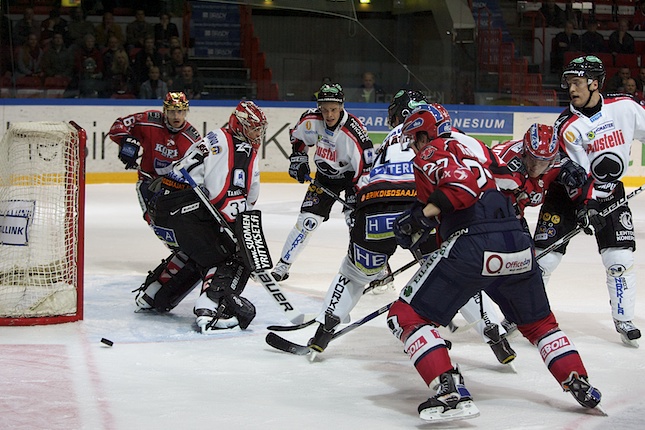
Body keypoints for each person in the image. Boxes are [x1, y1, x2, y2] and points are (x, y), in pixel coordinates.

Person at [386, 104, 603, 422]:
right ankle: (577, 380)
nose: (414, 146)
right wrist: (423, 222)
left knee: (405, 315)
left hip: (474, 245)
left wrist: (419, 218)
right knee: (540, 324)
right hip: (516, 242)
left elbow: (460, 191)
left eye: (415, 138)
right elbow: (501, 186)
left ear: (424, 133)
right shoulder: (476, 145)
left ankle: (448, 392)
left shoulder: (432, 150)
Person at [306, 91, 516, 368]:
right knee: (454, 275)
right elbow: (491, 171)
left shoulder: (389, 140)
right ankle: (495, 335)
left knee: (354, 274)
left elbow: (363, 181)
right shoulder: (445, 134)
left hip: (374, 204)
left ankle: (322, 331)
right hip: (423, 202)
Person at [535, 55, 644, 348]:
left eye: (578, 82)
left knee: (619, 259)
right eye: (569, 83)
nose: (571, 89)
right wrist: (586, 205)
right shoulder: (567, 125)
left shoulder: (625, 107)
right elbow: (576, 173)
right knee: (543, 260)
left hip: (609, 192)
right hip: (567, 197)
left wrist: (595, 202)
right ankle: (519, 314)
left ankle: (624, 319)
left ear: (595, 83)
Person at [142, 101, 268, 333]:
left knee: (201, 249)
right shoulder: (239, 147)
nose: (257, 133)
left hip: (167, 205)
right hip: (185, 209)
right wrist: (241, 238)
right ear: (239, 125)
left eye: (259, 128)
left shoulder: (217, 135)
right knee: (233, 253)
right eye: (253, 127)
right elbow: (223, 195)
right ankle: (211, 309)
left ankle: (155, 294)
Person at [270, 83, 374, 282]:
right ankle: (283, 265)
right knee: (307, 221)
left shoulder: (354, 132)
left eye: (333, 109)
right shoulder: (311, 120)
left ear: (342, 107)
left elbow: (366, 169)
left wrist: (360, 197)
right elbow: (298, 140)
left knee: (356, 223)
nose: (329, 114)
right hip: (324, 179)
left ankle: (370, 270)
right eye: (324, 109)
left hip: (352, 179)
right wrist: (298, 159)